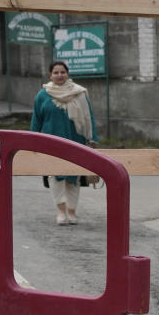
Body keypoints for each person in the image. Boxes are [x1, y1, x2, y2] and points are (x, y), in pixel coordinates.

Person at [30, 60, 98, 226]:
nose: (59, 75)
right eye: (56, 72)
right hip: (51, 142)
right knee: (56, 176)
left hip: (76, 140)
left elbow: (89, 117)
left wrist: (92, 139)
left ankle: (72, 211)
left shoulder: (79, 93)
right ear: (50, 75)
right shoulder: (42, 95)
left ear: (68, 74)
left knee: (73, 176)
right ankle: (61, 211)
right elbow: (36, 119)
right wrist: (32, 140)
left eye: (62, 72)